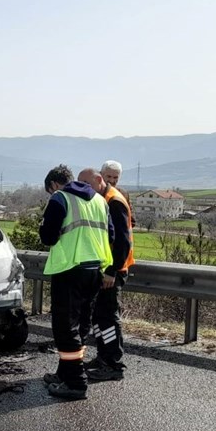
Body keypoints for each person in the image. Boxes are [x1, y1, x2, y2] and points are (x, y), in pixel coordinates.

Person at [39, 164, 113, 400]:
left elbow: (48, 237)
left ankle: (75, 382)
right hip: (95, 269)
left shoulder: (60, 199)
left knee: (65, 327)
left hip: (69, 268)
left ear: (53, 185)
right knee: (81, 324)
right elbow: (110, 235)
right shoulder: (100, 201)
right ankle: (65, 372)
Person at [79, 163, 134, 381]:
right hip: (106, 268)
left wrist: (112, 271)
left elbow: (122, 241)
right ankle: (103, 357)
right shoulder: (104, 199)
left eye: (86, 184)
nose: (84, 188)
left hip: (114, 270)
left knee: (108, 317)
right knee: (100, 316)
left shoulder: (114, 201)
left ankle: (113, 364)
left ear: (98, 181)